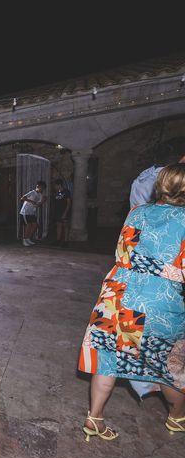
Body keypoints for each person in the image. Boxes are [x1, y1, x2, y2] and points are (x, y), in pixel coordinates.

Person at [77, 163, 185, 441]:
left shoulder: (138, 212)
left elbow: (123, 252)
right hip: (160, 302)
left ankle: (94, 419)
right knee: (170, 367)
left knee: (107, 360)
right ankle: (176, 418)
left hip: (118, 297)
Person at [19, 180, 46, 246]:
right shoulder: (32, 192)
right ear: (37, 186)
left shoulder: (40, 195)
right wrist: (31, 201)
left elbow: (37, 205)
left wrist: (43, 201)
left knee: (35, 225)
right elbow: (22, 198)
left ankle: (28, 238)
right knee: (28, 225)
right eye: (41, 188)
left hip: (32, 213)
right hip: (25, 212)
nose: (42, 189)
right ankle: (24, 240)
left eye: (43, 188)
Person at [51, 179, 72, 247]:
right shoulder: (56, 192)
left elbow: (69, 203)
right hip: (57, 212)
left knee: (65, 226)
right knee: (58, 225)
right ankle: (58, 240)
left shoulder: (66, 192)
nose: (54, 187)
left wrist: (65, 213)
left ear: (59, 185)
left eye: (55, 185)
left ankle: (66, 241)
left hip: (64, 211)